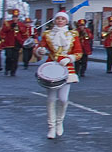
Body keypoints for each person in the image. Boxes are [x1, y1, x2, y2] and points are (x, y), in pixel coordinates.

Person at [34, 11, 83, 139]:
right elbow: (40, 49)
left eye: (62, 19)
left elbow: (79, 52)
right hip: (51, 67)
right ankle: (51, 126)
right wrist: (41, 50)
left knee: (63, 99)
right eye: (58, 19)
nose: (60, 21)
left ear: (66, 21)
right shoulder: (47, 34)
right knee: (50, 99)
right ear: (54, 20)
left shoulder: (73, 35)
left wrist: (70, 58)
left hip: (66, 68)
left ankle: (60, 122)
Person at [0, 9, 21, 76]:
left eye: (16, 17)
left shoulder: (21, 24)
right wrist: (10, 27)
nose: (15, 18)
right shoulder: (7, 23)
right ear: (12, 17)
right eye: (14, 17)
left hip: (17, 43)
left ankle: (13, 71)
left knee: (15, 58)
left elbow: (23, 32)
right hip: (8, 43)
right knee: (8, 57)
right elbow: (3, 30)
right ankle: (7, 69)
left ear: (18, 17)